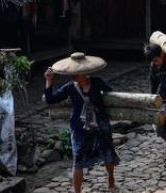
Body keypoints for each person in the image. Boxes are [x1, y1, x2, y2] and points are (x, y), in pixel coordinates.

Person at [45, 53, 119, 193]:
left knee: (107, 153)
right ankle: (77, 190)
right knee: (77, 159)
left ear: (85, 73)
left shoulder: (97, 82)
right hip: (79, 128)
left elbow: (113, 95)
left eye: (77, 73)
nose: (74, 75)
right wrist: (49, 81)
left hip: (100, 126)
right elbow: (50, 99)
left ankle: (110, 179)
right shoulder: (70, 87)